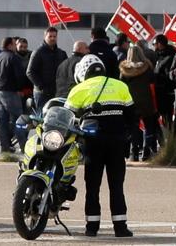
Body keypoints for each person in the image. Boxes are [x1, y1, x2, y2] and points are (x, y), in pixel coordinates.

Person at [66, 54, 135, 237]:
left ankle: (91, 227)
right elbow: (132, 117)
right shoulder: (121, 86)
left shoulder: (79, 89)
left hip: (93, 143)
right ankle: (121, 227)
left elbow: (67, 118)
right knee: (116, 186)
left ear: (82, 72)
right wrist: (127, 139)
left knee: (93, 186)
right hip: (117, 142)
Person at [119, 44, 158, 161]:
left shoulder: (124, 70)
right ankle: (147, 152)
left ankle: (134, 152)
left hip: (130, 102)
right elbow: (152, 86)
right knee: (149, 126)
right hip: (146, 101)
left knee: (133, 127)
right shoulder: (147, 68)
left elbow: (122, 88)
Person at [0, 36, 25, 154]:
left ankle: (5, 147)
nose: (15, 46)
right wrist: (20, 89)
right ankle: (24, 146)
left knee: (3, 121)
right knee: (19, 120)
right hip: (11, 92)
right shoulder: (14, 58)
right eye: (14, 44)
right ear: (9, 45)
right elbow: (19, 76)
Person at [27, 27, 67, 112]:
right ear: (45, 37)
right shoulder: (38, 52)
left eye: (54, 36)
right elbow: (30, 72)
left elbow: (65, 71)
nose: (52, 38)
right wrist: (42, 87)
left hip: (57, 92)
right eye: (50, 36)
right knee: (42, 118)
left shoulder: (61, 53)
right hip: (42, 93)